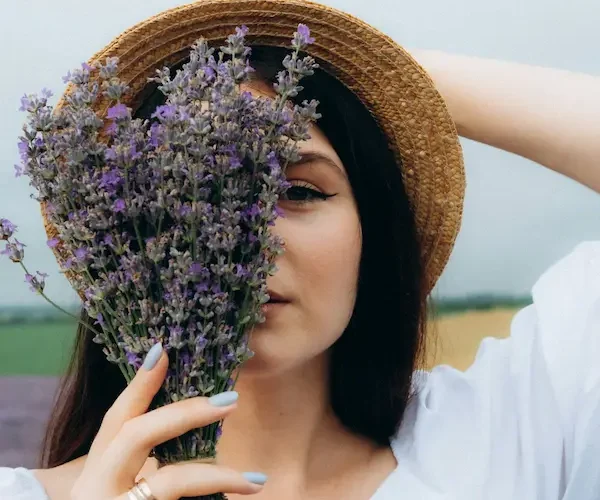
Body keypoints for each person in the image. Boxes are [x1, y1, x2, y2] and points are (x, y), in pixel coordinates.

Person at [1, 1, 599, 499]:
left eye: (297, 189)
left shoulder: (503, 441)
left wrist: (381, 74)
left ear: (374, 231)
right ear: (118, 251)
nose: (246, 241)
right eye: (190, 193)